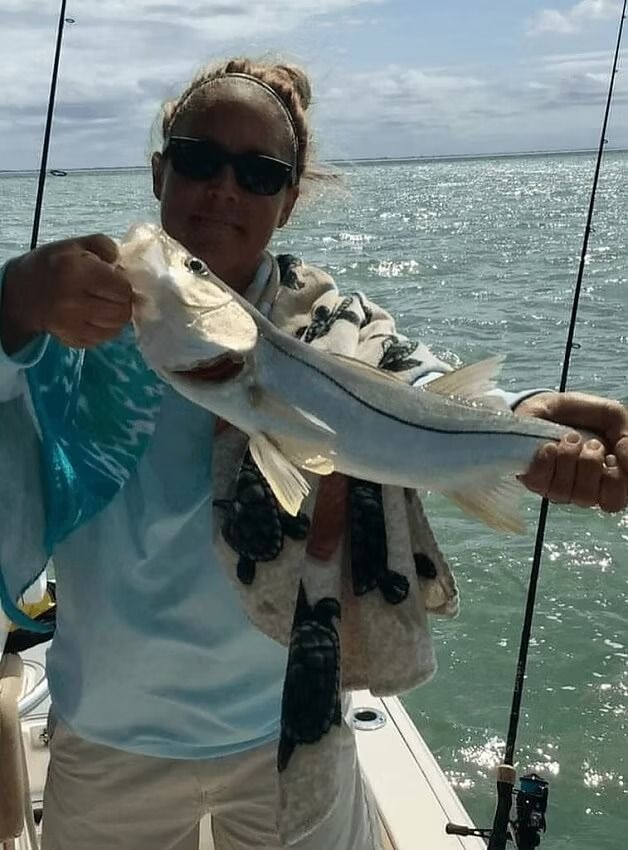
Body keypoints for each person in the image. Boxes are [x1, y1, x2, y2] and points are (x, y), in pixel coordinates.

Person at [0, 57, 626, 850]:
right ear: (159, 169)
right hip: (109, 731)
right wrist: (12, 302)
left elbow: (415, 386)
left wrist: (524, 424)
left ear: (289, 201)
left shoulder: (334, 322)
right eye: (198, 158)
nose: (224, 188)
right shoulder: (67, 314)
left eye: (258, 173)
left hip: (289, 727)